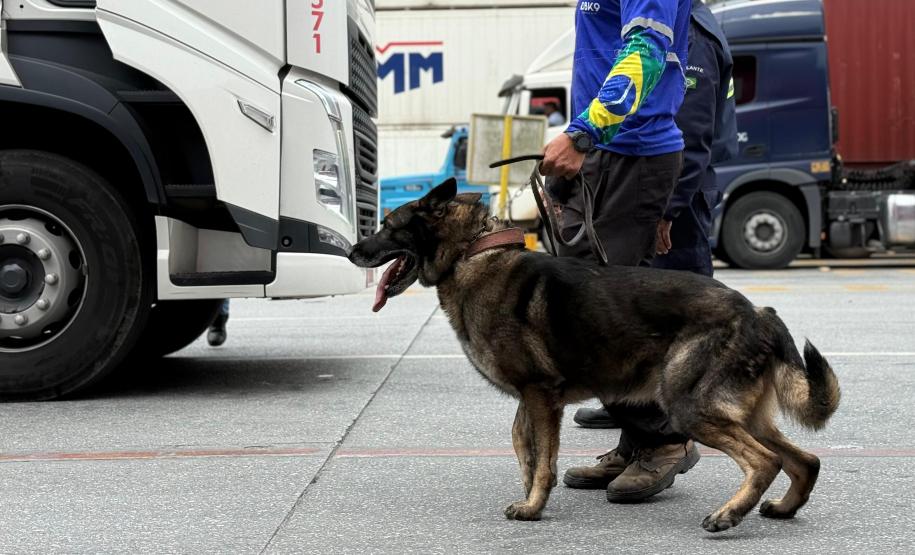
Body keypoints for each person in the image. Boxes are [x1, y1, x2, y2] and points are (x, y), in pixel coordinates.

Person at [561, 0, 739, 502]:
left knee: (615, 318)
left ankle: (665, 440)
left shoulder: (695, 30)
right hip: (611, 156)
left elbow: (694, 115)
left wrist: (669, 208)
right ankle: (639, 439)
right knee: (597, 313)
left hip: (644, 165)